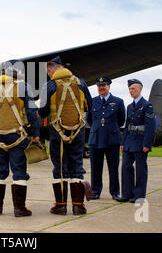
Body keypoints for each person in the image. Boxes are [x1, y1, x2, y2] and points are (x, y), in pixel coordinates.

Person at [39, 56, 93, 215]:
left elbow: (42, 112)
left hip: (58, 132)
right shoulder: (81, 83)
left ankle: (60, 206)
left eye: (48, 72)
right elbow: (89, 105)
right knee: (77, 165)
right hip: (78, 131)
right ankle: (78, 206)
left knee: (60, 167)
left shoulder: (49, 85)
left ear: (51, 70)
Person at [0, 66, 39, 217]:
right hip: (18, 136)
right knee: (19, 171)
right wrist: (35, 132)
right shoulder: (23, 87)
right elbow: (31, 111)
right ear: (16, 76)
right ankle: (19, 208)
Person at [116, 79, 156, 203]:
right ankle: (126, 194)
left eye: (133, 88)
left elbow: (150, 127)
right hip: (129, 141)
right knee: (126, 167)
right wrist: (122, 143)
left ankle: (139, 195)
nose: (131, 91)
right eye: (129, 89)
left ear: (140, 89)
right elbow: (127, 125)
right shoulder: (129, 106)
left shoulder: (147, 105)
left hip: (140, 141)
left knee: (140, 169)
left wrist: (147, 144)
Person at [86, 76, 125, 200]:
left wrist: (109, 129)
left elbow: (121, 120)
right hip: (95, 139)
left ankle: (115, 192)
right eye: (99, 86)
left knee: (113, 168)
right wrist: (98, 128)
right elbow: (89, 120)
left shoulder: (118, 101)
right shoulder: (92, 101)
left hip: (112, 139)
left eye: (104, 85)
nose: (101, 88)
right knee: (95, 167)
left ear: (109, 86)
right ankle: (96, 191)